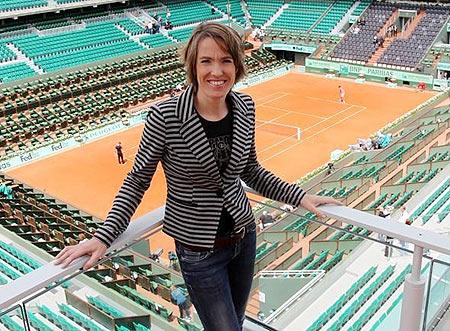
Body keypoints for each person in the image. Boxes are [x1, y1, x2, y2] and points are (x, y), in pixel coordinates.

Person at [54, 22, 342, 331]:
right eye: (206, 61)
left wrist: (299, 195)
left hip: (244, 238)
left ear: (237, 65)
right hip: (199, 252)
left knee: (237, 321)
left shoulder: (245, 107)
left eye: (226, 60)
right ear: (193, 65)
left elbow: (251, 170)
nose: (216, 71)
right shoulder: (165, 117)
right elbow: (137, 180)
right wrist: (104, 236)